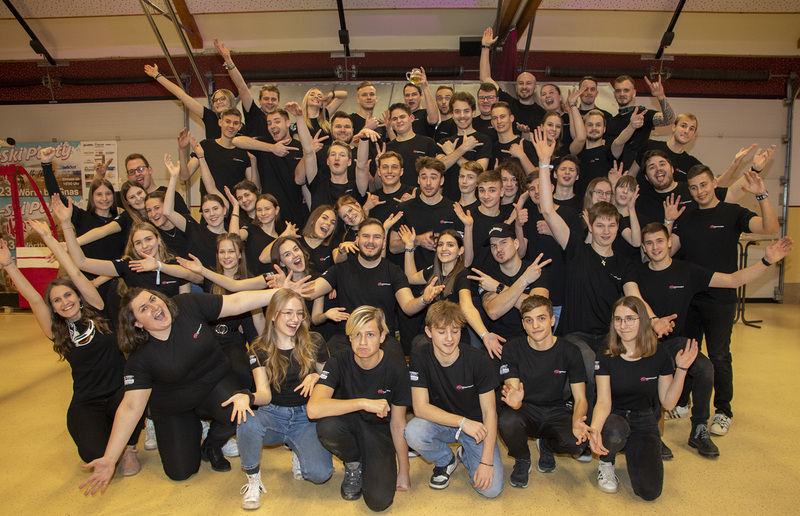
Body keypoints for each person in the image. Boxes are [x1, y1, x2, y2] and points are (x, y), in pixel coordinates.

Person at [79, 278, 313, 495]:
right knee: (181, 472)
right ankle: (191, 426)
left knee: (239, 409)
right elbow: (131, 407)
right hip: (173, 405)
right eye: (144, 308)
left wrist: (282, 292)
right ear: (137, 323)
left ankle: (212, 443)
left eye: (153, 299)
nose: (154, 307)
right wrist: (110, 458)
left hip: (215, 384)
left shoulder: (187, 305)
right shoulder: (139, 357)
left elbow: (236, 302)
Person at [638, 222, 792, 457]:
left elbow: (732, 280)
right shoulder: (637, 274)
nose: (655, 247)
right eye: (649, 243)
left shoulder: (687, 271)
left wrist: (766, 261)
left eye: (659, 240)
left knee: (705, 368)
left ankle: (699, 428)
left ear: (669, 242)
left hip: (675, 342)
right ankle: (651, 435)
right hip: (645, 344)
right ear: (643, 247)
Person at [0, 220, 143, 474]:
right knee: (92, 454)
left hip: (119, 392)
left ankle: (130, 448)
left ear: (78, 296)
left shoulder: (98, 309)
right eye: (56, 300)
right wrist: (9, 265)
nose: (64, 302)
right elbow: (34, 299)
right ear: (53, 308)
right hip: (88, 400)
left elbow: (75, 273)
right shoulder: (57, 332)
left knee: (135, 394)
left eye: (68, 295)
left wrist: (49, 238)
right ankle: (111, 436)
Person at [670, 160, 780, 437]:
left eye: (703, 185)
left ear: (714, 183)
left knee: (719, 355)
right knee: (688, 352)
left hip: (721, 299)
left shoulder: (733, 213)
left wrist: (761, 194)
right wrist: (669, 221)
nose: (699, 191)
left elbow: (770, 228)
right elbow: (669, 252)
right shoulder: (686, 217)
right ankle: (683, 401)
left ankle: (723, 410)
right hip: (690, 300)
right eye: (693, 188)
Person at [230, 289, 334, 510]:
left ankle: (297, 449)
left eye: (299, 313)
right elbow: (264, 394)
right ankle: (253, 480)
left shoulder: (314, 340)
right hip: (273, 414)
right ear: (273, 315)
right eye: (288, 313)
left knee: (321, 474)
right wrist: (247, 396)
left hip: (306, 416)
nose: (295, 319)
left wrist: (317, 377)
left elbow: (331, 378)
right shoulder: (259, 348)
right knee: (247, 420)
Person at [588, 297, 698, 500]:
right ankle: (606, 462)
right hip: (614, 416)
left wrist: (682, 369)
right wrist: (594, 430)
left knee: (649, 492)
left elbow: (668, 402)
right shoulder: (605, 354)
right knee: (614, 430)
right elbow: (603, 401)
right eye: (618, 319)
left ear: (643, 321)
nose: (623, 325)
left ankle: (634, 449)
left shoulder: (659, 353)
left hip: (644, 418)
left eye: (630, 319)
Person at [308, 306, 412, 512]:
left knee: (379, 501)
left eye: (370, 334)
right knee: (327, 425)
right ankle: (353, 462)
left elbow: (398, 423)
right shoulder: (338, 361)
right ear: (349, 337)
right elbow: (313, 409)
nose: (362, 342)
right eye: (356, 335)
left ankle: (369, 460)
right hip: (350, 424)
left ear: (382, 337)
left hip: (380, 432)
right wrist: (364, 402)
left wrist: (404, 469)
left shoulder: (396, 367)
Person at [404, 301, 504, 498]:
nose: (449, 338)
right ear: (429, 332)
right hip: (444, 423)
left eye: (455, 331)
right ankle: (445, 459)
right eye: (441, 332)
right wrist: (462, 422)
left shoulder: (478, 360)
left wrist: (486, 462)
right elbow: (420, 408)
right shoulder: (419, 356)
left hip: (476, 429)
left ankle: (466, 454)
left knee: (491, 490)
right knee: (413, 432)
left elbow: (489, 413)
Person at [311, 218, 444, 356]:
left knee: (397, 365)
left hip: (383, 339)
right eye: (366, 236)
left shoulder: (394, 271)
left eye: (376, 237)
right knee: (325, 363)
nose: (371, 241)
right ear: (357, 240)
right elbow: (311, 291)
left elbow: (408, 306)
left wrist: (423, 300)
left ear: (384, 243)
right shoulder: (341, 269)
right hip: (346, 338)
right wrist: (295, 285)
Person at [497, 295, 590, 488]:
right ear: (523, 324)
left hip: (556, 409)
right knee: (506, 419)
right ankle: (522, 458)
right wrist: (515, 402)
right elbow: (513, 389)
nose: (535, 325)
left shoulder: (570, 351)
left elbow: (580, 398)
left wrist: (577, 420)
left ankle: (547, 445)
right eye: (529, 320)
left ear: (552, 320)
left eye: (541, 318)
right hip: (525, 410)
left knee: (579, 443)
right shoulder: (512, 348)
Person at [53, 196, 199, 299]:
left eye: (148, 239)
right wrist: (65, 224)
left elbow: (192, 285)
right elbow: (82, 262)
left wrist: (158, 266)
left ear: (159, 239)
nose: (145, 246)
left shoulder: (175, 264)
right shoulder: (128, 266)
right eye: (138, 243)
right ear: (133, 247)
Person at [397, 228, 503, 355]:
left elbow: (467, 308)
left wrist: (485, 334)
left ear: (460, 251)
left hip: (454, 336)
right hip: (434, 334)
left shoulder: (462, 275)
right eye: (440, 244)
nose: (444, 248)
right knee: (418, 344)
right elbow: (410, 277)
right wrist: (409, 246)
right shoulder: (433, 271)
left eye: (450, 245)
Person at [468, 223, 550, 341]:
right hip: (501, 341)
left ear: (516, 243)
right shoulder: (487, 277)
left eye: (503, 242)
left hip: (532, 338)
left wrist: (498, 287)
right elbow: (493, 312)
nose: (498, 249)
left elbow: (538, 308)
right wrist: (525, 280)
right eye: (493, 245)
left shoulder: (534, 270)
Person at [233, 107, 307, 227]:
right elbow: (237, 141)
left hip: (295, 214)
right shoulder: (265, 144)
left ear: (287, 123)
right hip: (269, 217)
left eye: (277, 121)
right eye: (269, 123)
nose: (272, 126)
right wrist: (272, 148)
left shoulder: (300, 148)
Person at [144, 63, 241, 140]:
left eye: (222, 99)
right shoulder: (209, 116)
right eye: (215, 100)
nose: (218, 102)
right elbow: (182, 95)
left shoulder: (239, 125)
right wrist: (157, 76)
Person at [177, 109, 257, 198]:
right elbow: (184, 176)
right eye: (228, 121)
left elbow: (253, 187)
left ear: (239, 126)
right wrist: (182, 149)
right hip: (210, 204)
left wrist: (253, 159)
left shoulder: (243, 152)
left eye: (235, 123)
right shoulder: (206, 146)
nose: (231, 126)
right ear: (220, 122)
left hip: (234, 205)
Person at [480, 27, 545, 134]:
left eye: (528, 83)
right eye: (521, 83)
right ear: (516, 87)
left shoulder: (542, 114)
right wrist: (486, 47)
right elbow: (485, 78)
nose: (524, 86)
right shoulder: (508, 103)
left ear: (535, 88)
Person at [604, 75, 676, 169]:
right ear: (614, 94)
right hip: (614, 173)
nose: (622, 94)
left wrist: (660, 96)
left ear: (634, 93)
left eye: (626, 90)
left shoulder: (643, 114)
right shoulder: (609, 122)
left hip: (638, 172)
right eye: (618, 91)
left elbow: (669, 119)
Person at [213, 39, 278, 139]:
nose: (270, 102)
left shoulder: (282, 120)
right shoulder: (254, 114)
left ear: (278, 102)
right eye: (266, 99)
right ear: (259, 101)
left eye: (273, 99)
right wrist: (229, 61)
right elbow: (242, 87)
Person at [435, 91, 491, 202]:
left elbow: (479, 172)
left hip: (476, 204)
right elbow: (438, 168)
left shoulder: (483, 140)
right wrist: (463, 148)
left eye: (466, 111)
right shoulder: (445, 142)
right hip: (448, 202)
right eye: (457, 111)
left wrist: (452, 153)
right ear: (452, 114)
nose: (462, 116)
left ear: (473, 113)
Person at [385, 103, 439, 185]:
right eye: (395, 119)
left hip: (421, 192)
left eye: (402, 117)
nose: (399, 121)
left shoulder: (427, 143)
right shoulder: (387, 148)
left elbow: (436, 173)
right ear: (391, 122)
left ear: (412, 118)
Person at [490, 102, 537, 174]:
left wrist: (522, 156)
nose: (499, 121)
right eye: (495, 118)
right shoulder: (491, 149)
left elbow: (535, 177)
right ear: (492, 122)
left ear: (511, 118)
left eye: (502, 116)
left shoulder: (526, 145)